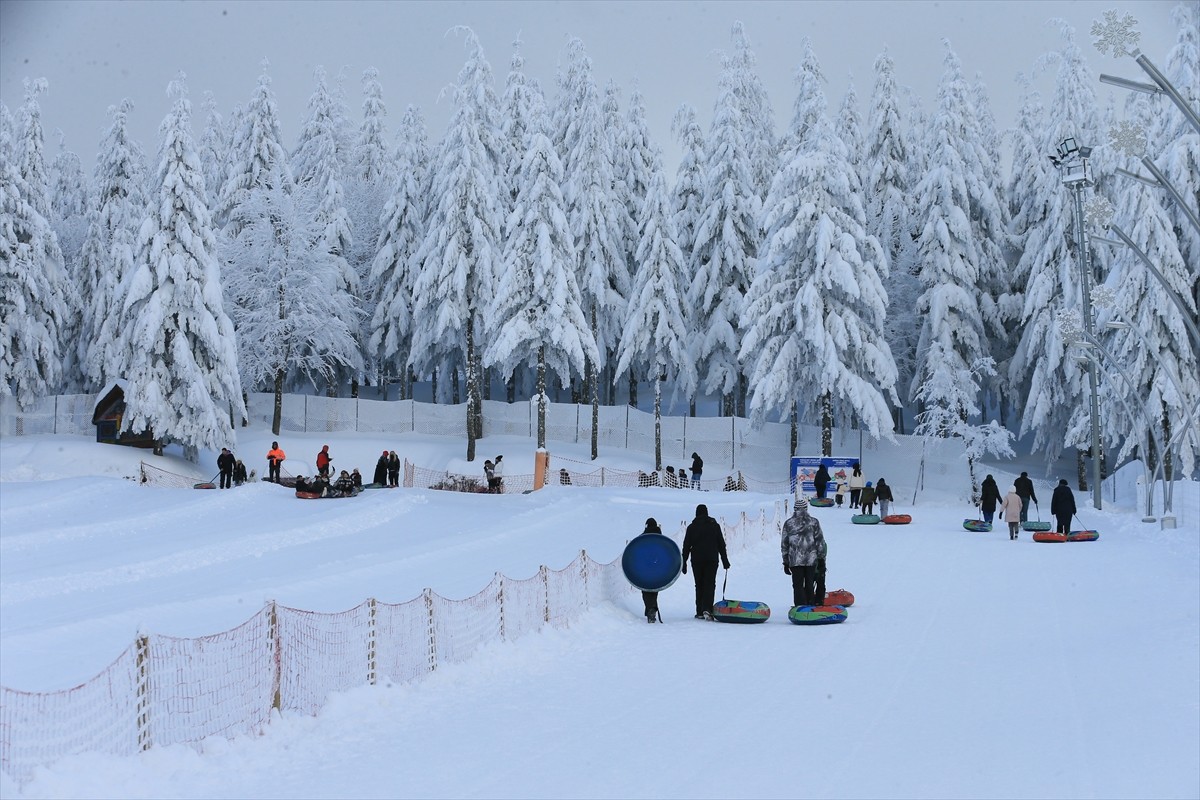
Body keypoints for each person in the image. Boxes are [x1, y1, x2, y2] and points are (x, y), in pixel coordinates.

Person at [681, 503, 730, 620]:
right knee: (710, 583)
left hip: (697, 560)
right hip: (712, 559)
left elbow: (686, 546)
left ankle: (699, 611)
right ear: (707, 513)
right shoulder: (714, 526)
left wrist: (684, 562)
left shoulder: (692, 527)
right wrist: (725, 560)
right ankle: (707, 609)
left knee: (699, 584)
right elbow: (721, 544)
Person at [781, 497, 826, 607]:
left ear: (795, 509)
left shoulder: (788, 523)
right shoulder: (814, 522)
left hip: (795, 559)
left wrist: (785, 561)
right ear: (806, 509)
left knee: (797, 584)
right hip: (811, 559)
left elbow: (784, 543)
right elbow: (819, 541)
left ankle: (799, 607)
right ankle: (810, 605)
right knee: (809, 583)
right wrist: (821, 559)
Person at [637, 518, 666, 623]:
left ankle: (650, 609)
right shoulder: (661, 539)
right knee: (654, 590)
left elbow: (637, 554)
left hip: (645, 569)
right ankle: (651, 609)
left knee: (645, 589)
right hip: (657, 569)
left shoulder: (641, 538)